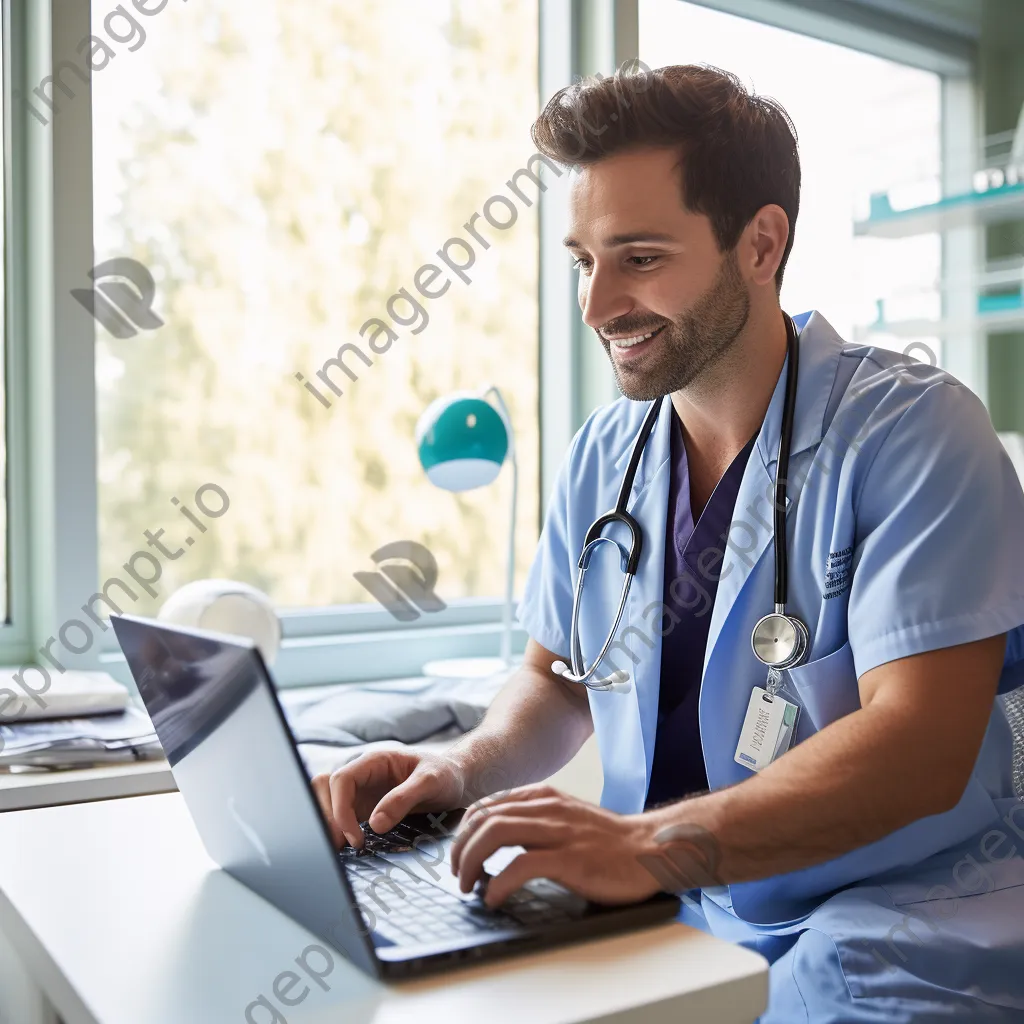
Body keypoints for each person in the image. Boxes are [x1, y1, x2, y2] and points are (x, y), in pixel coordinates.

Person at [313, 64, 1024, 1021]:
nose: (598, 305)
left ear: (761, 243)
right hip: (673, 901)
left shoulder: (914, 433)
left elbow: (919, 745)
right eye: (582, 260)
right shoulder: (607, 451)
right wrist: (460, 769)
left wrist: (647, 845)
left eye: (640, 258)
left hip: (896, 920)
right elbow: (557, 675)